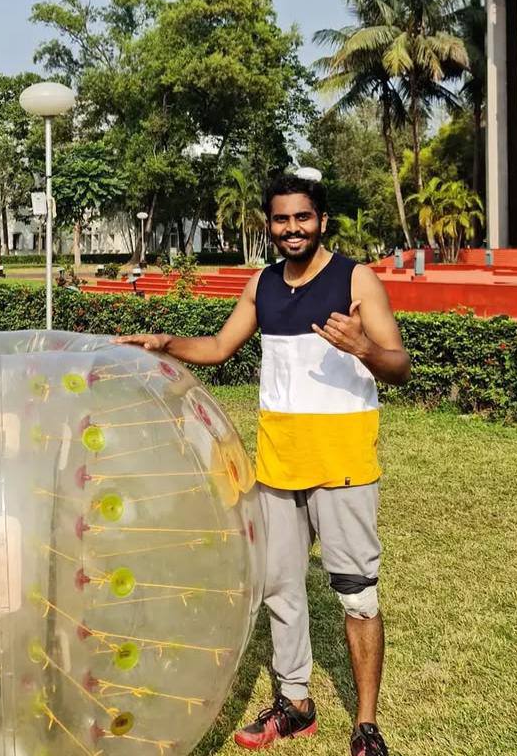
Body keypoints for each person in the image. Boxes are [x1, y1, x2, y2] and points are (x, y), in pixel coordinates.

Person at [116, 173, 410, 756]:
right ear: (269, 225)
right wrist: (165, 343)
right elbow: (220, 348)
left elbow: (399, 365)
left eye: (302, 218)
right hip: (278, 466)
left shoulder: (356, 280)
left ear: (321, 220)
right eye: (281, 220)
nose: (292, 229)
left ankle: (367, 725)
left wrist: (364, 349)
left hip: (343, 463)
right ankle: (296, 702)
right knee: (280, 587)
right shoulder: (263, 285)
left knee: (357, 595)